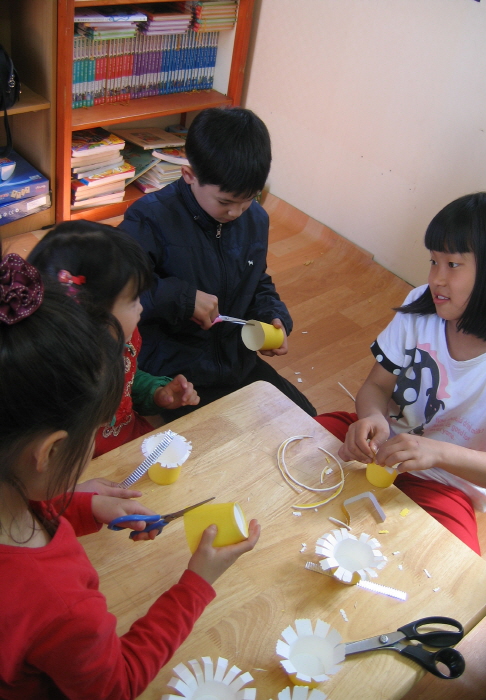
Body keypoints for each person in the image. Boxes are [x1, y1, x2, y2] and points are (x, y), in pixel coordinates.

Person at [0, 251, 260, 699]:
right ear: (52, 451)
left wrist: (82, 506)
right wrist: (196, 584)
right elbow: (115, 685)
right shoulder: (59, 603)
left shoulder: (15, 492)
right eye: (93, 432)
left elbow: (23, 502)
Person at [316, 191, 486, 555]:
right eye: (433, 261)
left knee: (449, 565)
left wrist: (437, 453)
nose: (436, 279)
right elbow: (376, 385)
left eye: (453, 265)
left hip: (445, 480)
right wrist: (371, 418)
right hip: (380, 448)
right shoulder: (421, 304)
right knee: (301, 439)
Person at [119, 107, 316, 420]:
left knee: (307, 419)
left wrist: (272, 315)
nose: (236, 212)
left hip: (235, 362)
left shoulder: (255, 220)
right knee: (213, 441)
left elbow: (256, 280)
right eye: (225, 201)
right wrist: (182, 299)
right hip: (174, 371)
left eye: (249, 198)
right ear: (189, 175)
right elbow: (118, 291)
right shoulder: (149, 218)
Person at [28, 221, 200, 459]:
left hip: (129, 440)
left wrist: (156, 392)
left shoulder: (125, 337)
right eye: (133, 301)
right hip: (83, 465)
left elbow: (128, 379)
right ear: (94, 314)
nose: (141, 308)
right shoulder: (53, 376)